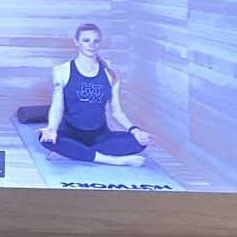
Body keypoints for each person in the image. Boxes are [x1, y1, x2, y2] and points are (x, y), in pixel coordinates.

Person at [38, 23, 154, 166]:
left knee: (139, 142)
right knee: (44, 138)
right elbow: (57, 105)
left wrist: (136, 131)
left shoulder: (111, 75)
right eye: (86, 40)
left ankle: (74, 154)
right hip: (70, 133)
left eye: (96, 41)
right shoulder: (61, 71)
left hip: (100, 136)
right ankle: (113, 160)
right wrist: (51, 129)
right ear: (76, 42)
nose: (91, 45)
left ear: (100, 43)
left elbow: (116, 110)